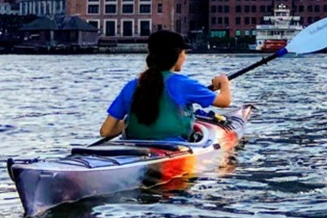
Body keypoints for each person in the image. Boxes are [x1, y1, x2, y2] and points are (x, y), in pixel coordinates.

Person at [100, 30, 233, 142]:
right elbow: (224, 101)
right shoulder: (185, 84)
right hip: (174, 147)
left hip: (134, 148)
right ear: (178, 55)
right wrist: (224, 82)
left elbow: (106, 131)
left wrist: (128, 122)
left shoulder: (132, 85)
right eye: (184, 52)